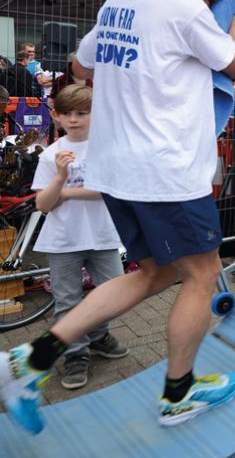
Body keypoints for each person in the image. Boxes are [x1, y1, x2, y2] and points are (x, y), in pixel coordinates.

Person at [0, 0, 235, 434]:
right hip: (166, 174)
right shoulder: (186, 9)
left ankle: (27, 360)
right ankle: (178, 395)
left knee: (153, 273)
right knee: (202, 275)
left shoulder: (120, 0)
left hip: (120, 173)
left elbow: (78, 65)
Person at [31, 85, 129, 390]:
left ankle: (98, 335)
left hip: (102, 235)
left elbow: (108, 190)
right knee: (66, 299)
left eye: (82, 113)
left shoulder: (105, 148)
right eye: (67, 114)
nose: (74, 120)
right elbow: (43, 204)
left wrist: (65, 192)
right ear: (56, 116)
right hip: (63, 239)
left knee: (115, 293)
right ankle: (75, 353)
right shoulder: (51, 155)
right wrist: (60, 177)